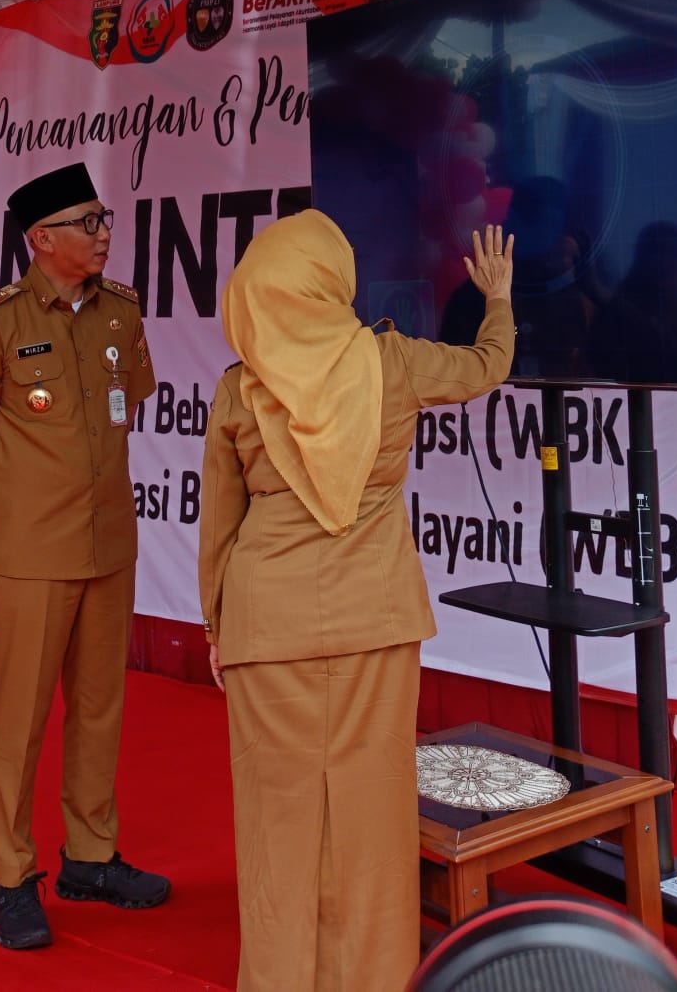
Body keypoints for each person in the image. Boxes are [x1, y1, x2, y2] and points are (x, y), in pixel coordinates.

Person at [198, 211, 516, 992]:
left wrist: (217, 627)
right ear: (331, 282)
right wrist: (497, 299)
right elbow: (486, 367)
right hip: (375, 621)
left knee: (279, 826)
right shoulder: (394, 362)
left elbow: (218, 528)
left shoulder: (240, 388)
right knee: (372, 822)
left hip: (266, 628)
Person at [0, 162, 170, 952]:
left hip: (109, 543)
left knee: (101, 708)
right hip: (33, 552)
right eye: (87, 221)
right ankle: (12, 879)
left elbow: (124, 409)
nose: (104, 232)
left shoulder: (120, 311)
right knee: (22, 719)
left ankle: (91, 858)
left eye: (104, 218)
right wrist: (22, 508)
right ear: (41, 240)